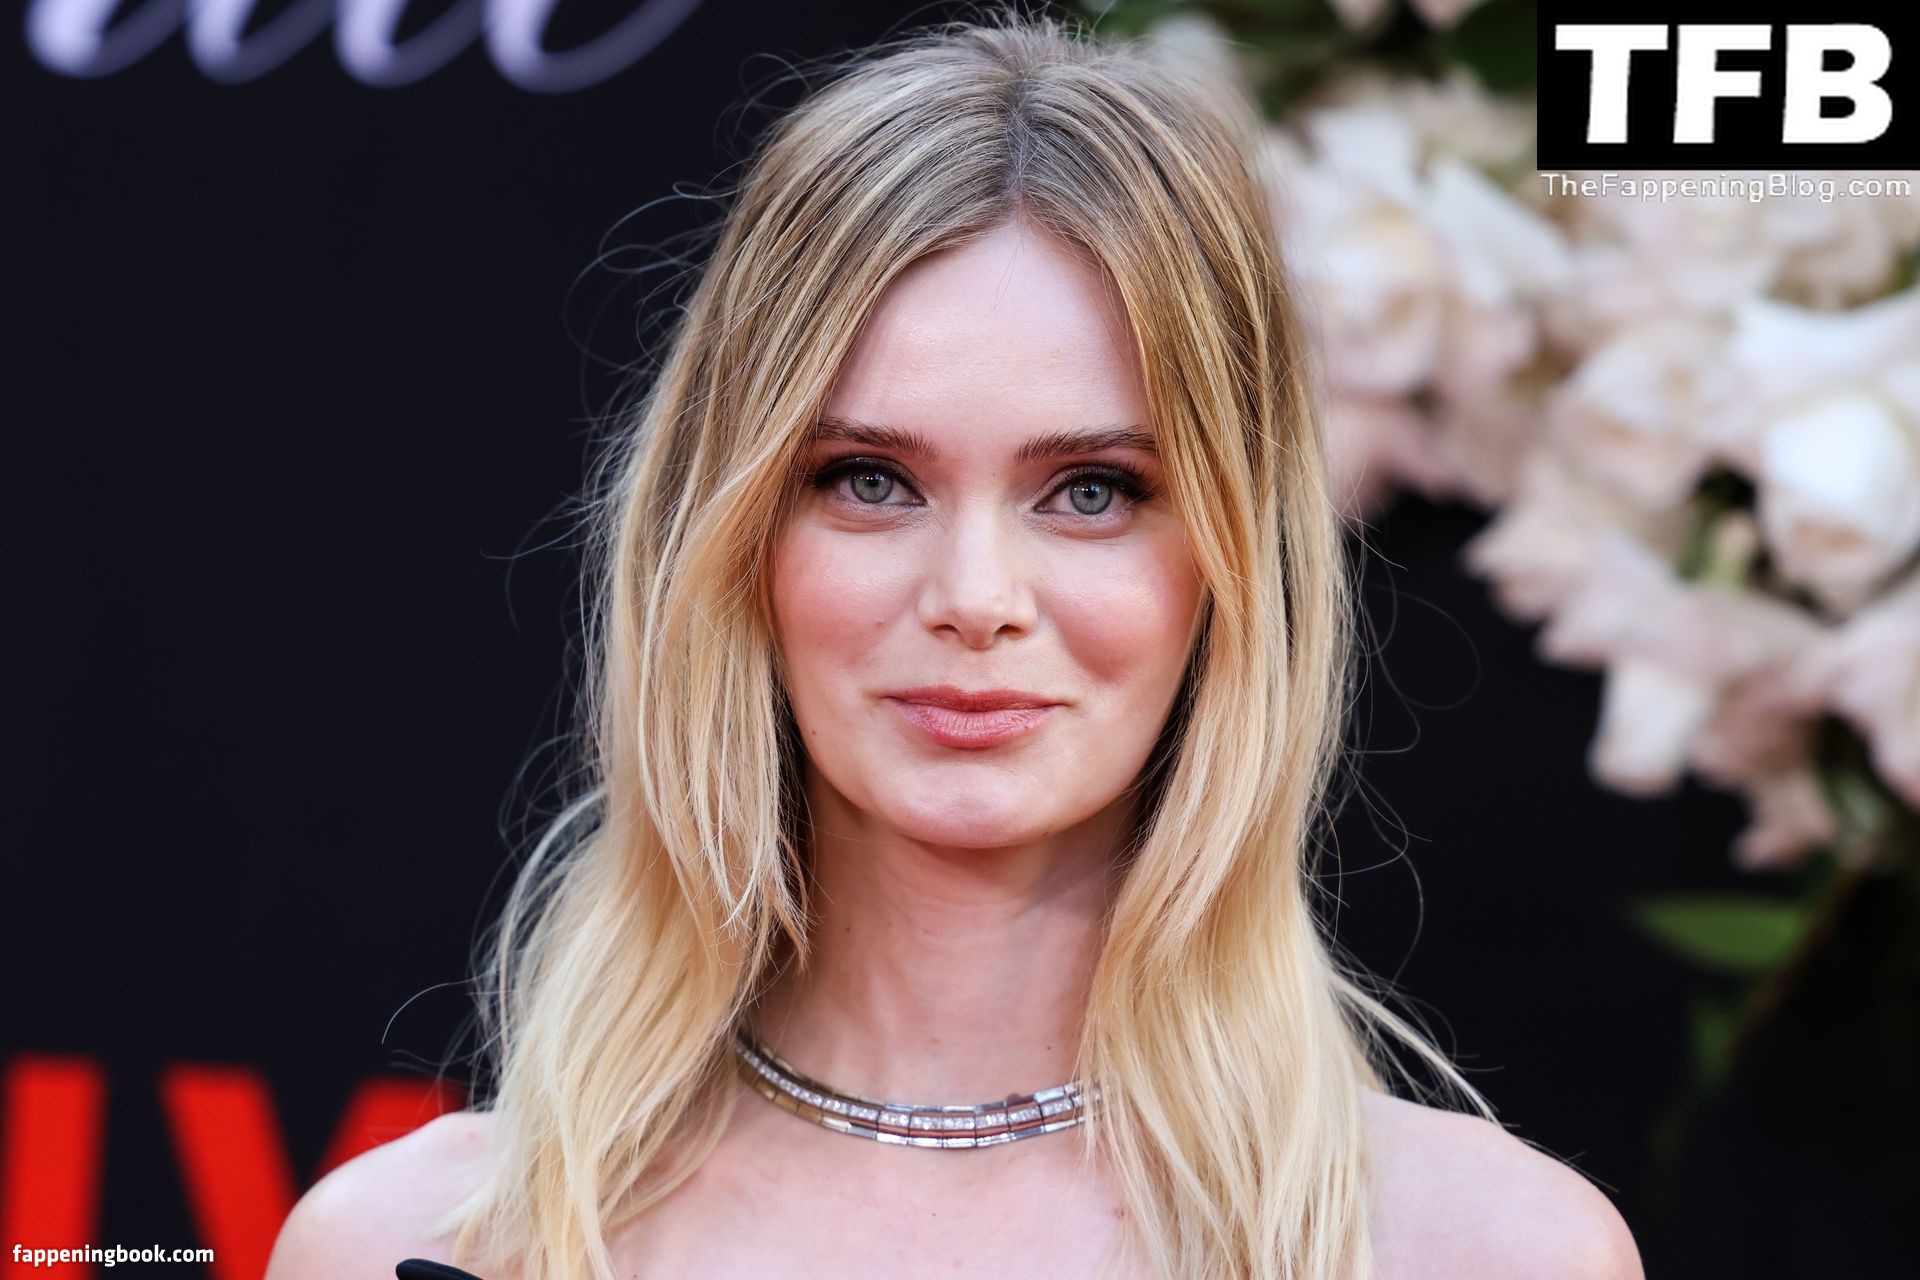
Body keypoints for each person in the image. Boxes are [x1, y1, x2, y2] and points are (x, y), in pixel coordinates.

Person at [265, 10, 1643, 1280]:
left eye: (1092, 491)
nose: (976, 597)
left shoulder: (1484, 1253)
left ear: (1231, 560)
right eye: (869, 479)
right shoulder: (424, 1245)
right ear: (733, 535)